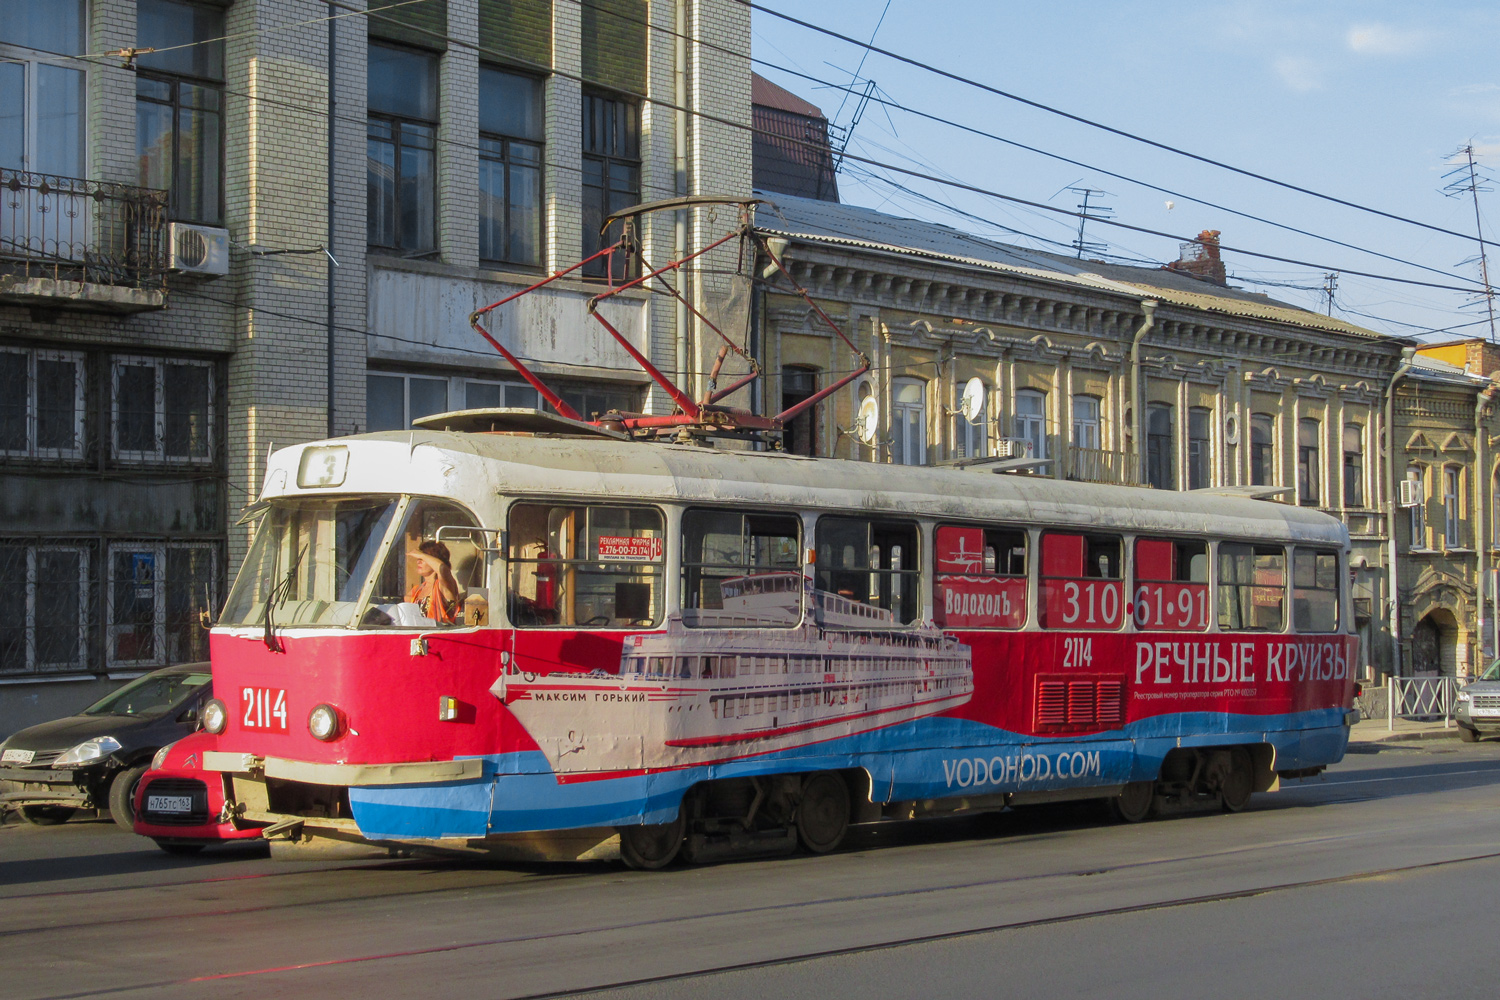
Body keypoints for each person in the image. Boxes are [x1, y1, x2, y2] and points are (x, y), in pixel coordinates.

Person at [407, 540, 461, 624]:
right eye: (418, 559)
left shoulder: (443, 585)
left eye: (424, 559)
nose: (418, 561)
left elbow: (442, 568)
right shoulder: (416, 590)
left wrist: (422, 554)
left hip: (439, 635)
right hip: (419, 635)